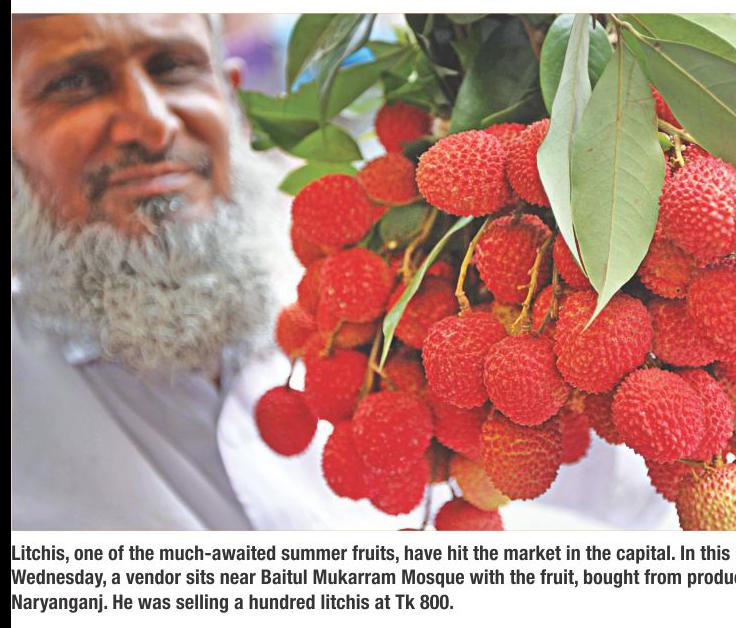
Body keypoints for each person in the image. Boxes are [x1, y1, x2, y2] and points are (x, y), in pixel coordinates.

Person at [11, 13, 669, 531]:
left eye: (174, 68)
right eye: (74, 84)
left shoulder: (379, 277)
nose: (152, 125)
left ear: (233, 97)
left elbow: (629, 500)